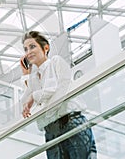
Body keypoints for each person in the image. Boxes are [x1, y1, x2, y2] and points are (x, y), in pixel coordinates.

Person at [20, 31, 97, 159]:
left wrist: (35, 96)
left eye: (32, 46)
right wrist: (25, 74)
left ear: (45, 48)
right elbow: (25, 103)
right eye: (26, 49)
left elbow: (60, 90)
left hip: (70, 122)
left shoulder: (56, 62)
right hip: (50, 131)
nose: (28, 52)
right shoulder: (33, 79)